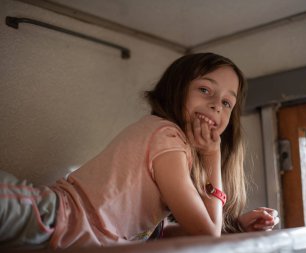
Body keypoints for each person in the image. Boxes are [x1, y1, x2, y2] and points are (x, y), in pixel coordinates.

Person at [0, 53, 279, 249]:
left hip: (57, 224)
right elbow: (207, 235)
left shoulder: (175, 148)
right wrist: (212, 157)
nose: (217, 105)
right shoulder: (168, 138)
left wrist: (237, 226)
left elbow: (161, 234)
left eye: (227, 103)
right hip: (50, 215)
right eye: (205, 90)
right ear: (176, 90)